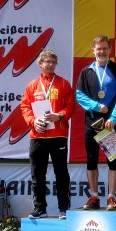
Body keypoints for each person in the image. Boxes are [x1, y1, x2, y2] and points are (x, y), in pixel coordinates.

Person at [21, 49, 75, 219]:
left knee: (61, 172)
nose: (51, 65)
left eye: (53, 62)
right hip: (37, 135)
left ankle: (63, 209)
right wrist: (33, 121)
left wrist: (59, 115)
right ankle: (40, 209)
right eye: (48, 62)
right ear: (40, 64)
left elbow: (71, 106)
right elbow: (25, 108)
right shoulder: (32, 85)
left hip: (58, 134)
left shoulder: (64, 84)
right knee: (37, 174)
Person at [76, 35, 116, 211]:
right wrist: (97, 106)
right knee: (91, 160)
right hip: (92, 122)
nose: (102, 51)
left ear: (110, 50)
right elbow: (79, 95)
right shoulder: (86, 72)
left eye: (105, 48)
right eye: (99, 48)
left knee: (113, 160)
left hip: (109, 123)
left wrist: (113, 118)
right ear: (93, 50)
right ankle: (94, 196)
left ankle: (111, 198)